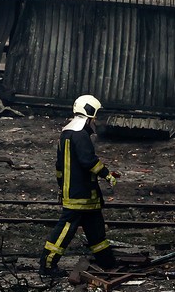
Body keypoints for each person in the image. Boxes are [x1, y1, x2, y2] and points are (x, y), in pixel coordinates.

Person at [40, 94, 118, 276]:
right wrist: (107, 175)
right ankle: (47, 265)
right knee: (66, 229)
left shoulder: (66, 133)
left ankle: (107, 262)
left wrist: (62, 187)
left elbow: (59, 167)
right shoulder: (80, 135)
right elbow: (88, 161)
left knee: (96, 230)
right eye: (95, 115)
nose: (96, 120)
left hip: (80, 194)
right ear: (89, 113)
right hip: (80, 194)